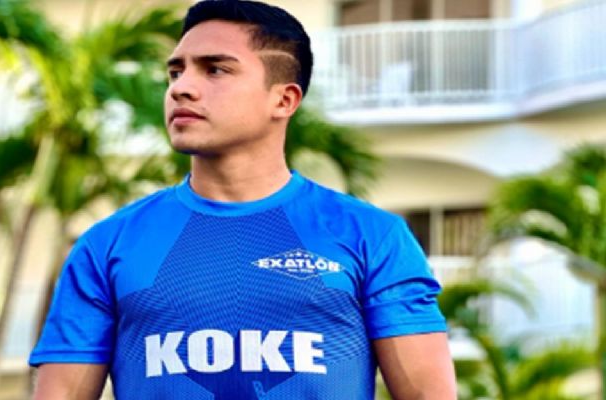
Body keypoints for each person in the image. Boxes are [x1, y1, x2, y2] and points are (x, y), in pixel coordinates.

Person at [29, 1, 456, 399]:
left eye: (215, 70)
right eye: (176, 72)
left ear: (284, 99)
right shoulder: (107, 244)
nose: (181, 89)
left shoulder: (372, 236)